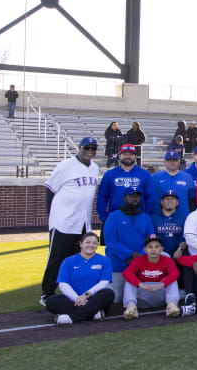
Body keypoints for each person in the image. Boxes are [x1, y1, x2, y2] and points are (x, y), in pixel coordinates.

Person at [41, 136, 101, 305]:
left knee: (77, 260)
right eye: (86, 148)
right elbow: (50, 190)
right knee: (56, 258)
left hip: (82, 223)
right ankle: (47, 293)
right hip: (63, 222)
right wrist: (52, 215)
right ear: (79, 148)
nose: (89, 151)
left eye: (92, 148)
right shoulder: (66, 165)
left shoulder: (95, 168)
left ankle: (72, 292)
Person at [45, 232, 114, 324]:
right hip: (73, 299)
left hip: (94, 298)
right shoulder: (68, 261)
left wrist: (85, 296)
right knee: (51, 301)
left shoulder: (104, 260)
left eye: (94, 243)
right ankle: (92, 313)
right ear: (81, 244)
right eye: (88, 242)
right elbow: (63, 284)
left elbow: (104, 282)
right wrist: (77, 298)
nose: (91, 245)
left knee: (108, 293)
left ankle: (71, 318)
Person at [103, 187, 155, 302]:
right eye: (132, 196)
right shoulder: (113, 217)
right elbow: (111, 242)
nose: (135, 199)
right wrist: (130, 255)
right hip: (119, 265)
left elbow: (150, 240)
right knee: (115, 298)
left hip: (139, 265)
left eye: (137, 196)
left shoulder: (145, 218)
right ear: (125, 198)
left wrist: (140, 257)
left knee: (145, 297)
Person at [121, 234, 181, 319]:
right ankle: (131, 307)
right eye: (150, 247)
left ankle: (172, 305)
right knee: (130, 281)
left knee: (172, 280)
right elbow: (126, 273)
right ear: (145, 250)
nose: (153, 250)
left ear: (161, 249)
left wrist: (160, 284)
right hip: (144, 295)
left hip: (160, 293)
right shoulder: (139, 260)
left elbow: (175, 273)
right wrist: (142, 285)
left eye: (156, 247)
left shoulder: (167, 260)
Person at [97, 144, 154, 221]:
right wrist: (103, 217)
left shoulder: (145, 174)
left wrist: (146, 216)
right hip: (115, 218)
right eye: (125, 154)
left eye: (131, 154)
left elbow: (150, 198)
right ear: (120, 156)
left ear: (135, 156)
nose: (128, 156)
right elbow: (102, 197)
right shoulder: (110, 174)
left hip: (138, 218)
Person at [151, 149, 196, 215]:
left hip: (183, 217)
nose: (172, 163)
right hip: (160, 217)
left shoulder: (187, 177)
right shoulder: (155, 177)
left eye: (174, 160)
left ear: (179, 162)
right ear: (164, 162)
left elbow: (192, 199)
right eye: (169, 160)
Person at [151, 190, 187, 262]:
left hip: (177, 253)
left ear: (177, 202)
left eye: (173, 199)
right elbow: (151, 237)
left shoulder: (183, 218)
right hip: (158, 253)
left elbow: (185, 239)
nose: (170, 201)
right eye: (167, 199)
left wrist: (180, 250)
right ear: (161, 202)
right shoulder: (153, 217)